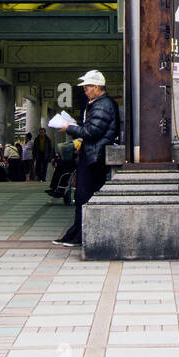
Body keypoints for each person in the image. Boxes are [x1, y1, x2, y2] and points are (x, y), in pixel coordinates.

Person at [52, 69, 121, 247]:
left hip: (94, 156)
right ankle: (77, 233)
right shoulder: (101, 103)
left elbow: (91, 132)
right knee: (83, 196)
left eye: (88, 86)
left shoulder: (102, 105)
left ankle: (81, 235)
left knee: (84, 195)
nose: (85, 90)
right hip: (93, 154)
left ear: (97, 87)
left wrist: (68, 127)